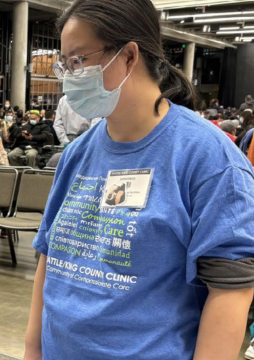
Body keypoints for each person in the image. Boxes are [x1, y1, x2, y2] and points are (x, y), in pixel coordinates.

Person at [25, 2, 254, 360]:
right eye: (64, 64)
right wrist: (33, 349)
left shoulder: (207, 159)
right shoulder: (77, 154)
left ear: (129, 56)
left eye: (79, 60)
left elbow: (231, 290)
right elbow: (49, 256)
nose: (69, 76)